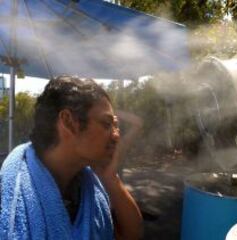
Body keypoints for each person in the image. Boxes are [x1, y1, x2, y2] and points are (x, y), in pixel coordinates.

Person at [0, 76, 143, 239]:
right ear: (68, 122)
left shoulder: (87, 187)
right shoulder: (9, 200)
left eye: (116, 126)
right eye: (106, 123)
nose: (117, 136)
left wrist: (111, 179)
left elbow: (131, 235)